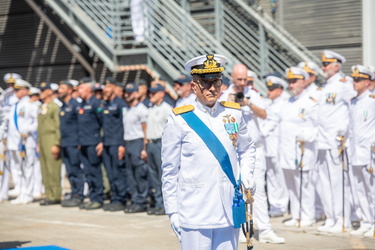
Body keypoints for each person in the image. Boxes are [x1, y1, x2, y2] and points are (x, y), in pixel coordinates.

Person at [162, 54, 256, 249]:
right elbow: (170, 169)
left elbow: (247, 149)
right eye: (205, 83)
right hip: (195, 210)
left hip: (229, 208)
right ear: (194, 86)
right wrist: (172, 211)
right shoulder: (179, 119)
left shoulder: (233, 114)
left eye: (217, 82)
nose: (212, 88)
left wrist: (246, 175)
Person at [220, 64, 284, 244]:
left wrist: (248, 103)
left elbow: (264, 114)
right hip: (234, 150)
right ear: (232, 77)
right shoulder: (225, 95)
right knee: (236, 191)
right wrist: (233, 102)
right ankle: (239, 228)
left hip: (254, 149)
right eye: (239, 79)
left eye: (244, 79)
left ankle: (265, 229)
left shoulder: (253, 93)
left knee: (258, 190)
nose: (242, 83)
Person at [316, 50, 357, 233]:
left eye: (326, 64)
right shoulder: (325, 85)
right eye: (323, 64)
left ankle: (342, 220)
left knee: (338, 181)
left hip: (337, 140)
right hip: (323, 139)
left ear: (336, 65)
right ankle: (331, 217)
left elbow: (354, 109)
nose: (323, 67)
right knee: (325, 181)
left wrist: (345, 132)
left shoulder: (344, 84)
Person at [279, 67, 318, 227]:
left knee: (305, 185)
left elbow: (317, 127)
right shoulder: (288, 102)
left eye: (294, 81)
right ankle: (296, 215)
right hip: (287, 150)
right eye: (289, 81)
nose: (291, 84)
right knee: (292, 186)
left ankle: (308, 215)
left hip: (303, 150)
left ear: (303, 81)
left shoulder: (311, 103)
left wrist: (306, 134)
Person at [347, 65, 375, 237]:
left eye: (358, 79)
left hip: (369, 152)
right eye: (354, 79)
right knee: (359, 189)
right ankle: (366, 221)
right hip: (355, 152)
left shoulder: (372, 101)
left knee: (372, 190)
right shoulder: (353, 102)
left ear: (367, 81)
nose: (354, 82)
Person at [261, 75, 289, 217]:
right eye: (268, 89)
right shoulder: (268, 103)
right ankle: (274, 204)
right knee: (271, 176)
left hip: (278, 145)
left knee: (280, 176)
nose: (269, 92)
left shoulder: (284, 103)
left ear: (279, 90)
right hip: (268, 145)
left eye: (272, 89)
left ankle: (282, 205)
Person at [6, 79, 36, 205]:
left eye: (18, 90)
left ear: (25, 90)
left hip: (26, 140)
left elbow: (37, 122)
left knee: (27, 168)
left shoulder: (30, 104)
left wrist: (27, 130)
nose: (16, 92)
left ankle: (28, 194)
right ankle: (22, 192)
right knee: (19, 169)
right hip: (14, 141)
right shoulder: (15, 105)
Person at [101, 77, 127, 212]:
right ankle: (114, 197)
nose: (106, 90)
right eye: (105, 87)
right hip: (106, 143)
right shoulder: (104, 104)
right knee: (110, 173)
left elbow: (124, 125)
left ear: (114, 88)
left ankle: (120, 199)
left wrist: (122, 144)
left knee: (118, 172)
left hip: (117, 143)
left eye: (109, 87)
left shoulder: (120, 104)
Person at [77, 77, 104, 210]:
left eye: (81, 88)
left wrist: (101, 141)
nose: (79, 91)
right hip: (83, 143)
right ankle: (92, 196)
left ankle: (98, 197)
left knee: (95, 171)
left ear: (89, 89)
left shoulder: (96, 103)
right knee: (87, 171)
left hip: (94, 142)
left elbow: (102, 123)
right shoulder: (81, 104)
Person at [123, 82, 149, 213]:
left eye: (130, 92)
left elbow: (145, 130)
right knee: (130, 174)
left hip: (137, 142)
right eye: (126, 92)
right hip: (128, 142)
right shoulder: (126, 109)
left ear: (137, 94)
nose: (127, 95)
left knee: (139, 173)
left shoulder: (141, 110)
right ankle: (134, 200)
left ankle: (142, 201)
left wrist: (144, 148)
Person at [145, 83, 171, 215]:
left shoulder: (166, 109)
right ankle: (157, 202)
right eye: (150, 93)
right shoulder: (150, 108)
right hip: (150, 143)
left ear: (161, 94)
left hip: (160, 143)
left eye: (154, 93)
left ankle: (164, 205)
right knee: (153, 175)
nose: (151, 95)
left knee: (162, 175)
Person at [58, 80, 85, 207]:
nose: (59, 90)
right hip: (65, 143)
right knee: (69, 170)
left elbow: (80, 124)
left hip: (74, 142)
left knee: (75, 169)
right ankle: (74, 192)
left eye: (62, 88)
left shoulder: (75, 105)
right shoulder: (63, 105)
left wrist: (80, 141)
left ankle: (79, 194)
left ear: (69, 90)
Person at [38, 82, 62, 205]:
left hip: (51, 138)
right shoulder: (42, 106)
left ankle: (55, 195)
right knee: (45, 168)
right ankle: (49, 194)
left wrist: (57, 144)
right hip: (42, 139)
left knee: (53, 169)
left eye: (43, 91)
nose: (41, 93)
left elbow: (58, 126)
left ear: (49, 92)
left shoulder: (55, 106)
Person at [0, 73, 22, 200]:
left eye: (13, 84)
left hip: (17, 133)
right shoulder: (5, 95)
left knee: (18, 161)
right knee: (9, 162)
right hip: (6, 132)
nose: (10, 86)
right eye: (9, 84)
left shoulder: (19, 98)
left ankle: (20, 186)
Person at [29, 87, 43, 199]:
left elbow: (38, 124)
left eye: (32, 95)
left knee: (37, 166)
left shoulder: (38, 106)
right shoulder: (31, 105)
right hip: (30, 139)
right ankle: (36, 188)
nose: (31, 98)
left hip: (36, 138)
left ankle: (38, 188)